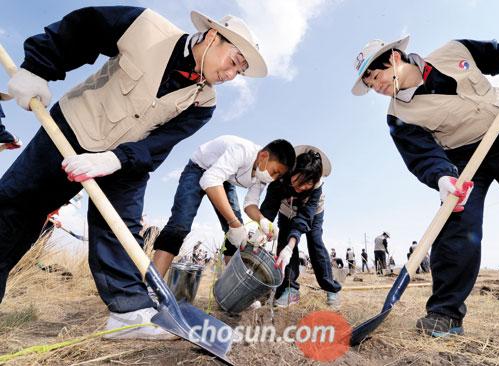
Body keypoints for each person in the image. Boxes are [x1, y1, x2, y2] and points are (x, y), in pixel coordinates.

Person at [0, 6, 267, 340]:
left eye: (239, 71)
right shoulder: (147, 27)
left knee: (122, 228)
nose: (232, 75)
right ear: (213, 36)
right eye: (233, 61)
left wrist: (115, 160)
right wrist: (38, 67)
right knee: (16, 210)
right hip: (72, 127)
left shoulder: (205, 103)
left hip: (126, 158)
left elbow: (160, 144)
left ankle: (128, 312)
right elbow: (87, 27)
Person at [352, 35, 499, 337]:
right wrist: (442, 178)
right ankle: (445, 315)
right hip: (464, 160)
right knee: (456, 227)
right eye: (370, 85)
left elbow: (497, 54)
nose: (376, 86)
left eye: (376, 76)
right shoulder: (398, 116)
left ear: (395, 58)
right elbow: (422, 154)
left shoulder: (455, 51)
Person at [151, 136, 295, 275]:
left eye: (278, 176)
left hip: (225, 179)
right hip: (199, 168)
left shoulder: (261, 176)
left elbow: (250, 204)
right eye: (275, 172)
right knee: (180, 223)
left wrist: (262, 221)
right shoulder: (242, 151)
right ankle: (153, 289)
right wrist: (234, 223)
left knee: (236, 234)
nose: (273, 178)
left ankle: (231, 289)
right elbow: (210, 180)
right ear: (263, 156)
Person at [260, 146, 341, 307]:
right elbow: (269, 205)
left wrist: (291, 247)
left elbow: (304, 218)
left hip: (312, 213)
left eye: (304, 186)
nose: (298, 189)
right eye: (295, 183)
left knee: (315, 241)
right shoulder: (281, 175)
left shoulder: (317, 187)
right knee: (283, 239)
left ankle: (331, 288)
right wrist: (263, 229)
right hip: (286, 209)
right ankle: (290, 289)